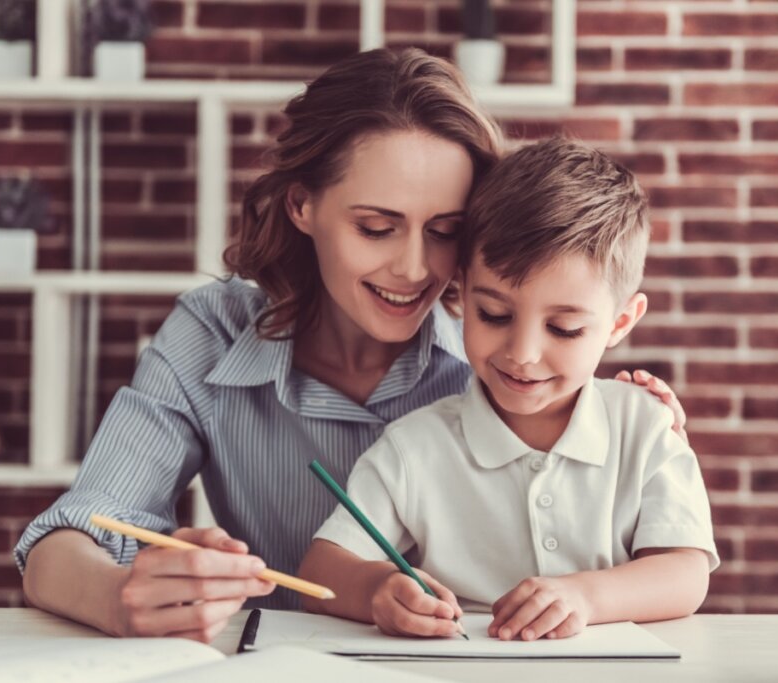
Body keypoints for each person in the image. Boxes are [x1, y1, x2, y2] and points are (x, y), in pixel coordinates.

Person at [15, 49, 688, 644]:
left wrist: (618, 411)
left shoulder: (502, 350)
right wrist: (116, 596)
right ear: (302, 205)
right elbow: (68, 537)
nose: (414, 269)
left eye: (445, 230)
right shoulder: (213, 333)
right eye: (376, 227)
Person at [298, 138, 719, 642]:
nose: (522, 353)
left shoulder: (646, 426)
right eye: (494, 315)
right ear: (461, 289)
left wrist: (586, 596)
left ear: (620, 322)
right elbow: (319, 570)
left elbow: (686, 574)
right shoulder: (416, 446)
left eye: (563, 328)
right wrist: (378, 590)